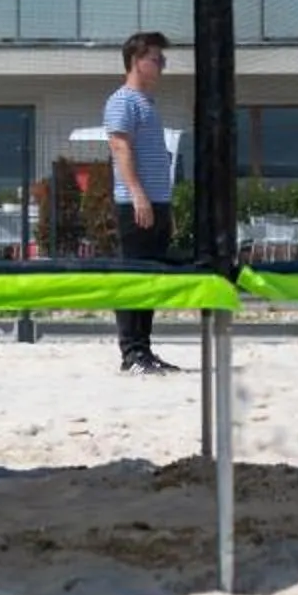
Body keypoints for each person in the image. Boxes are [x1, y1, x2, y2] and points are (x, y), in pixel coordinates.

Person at [104, 30, 180, 375]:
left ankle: (144, 350)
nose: (162, 64)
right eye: (156, 58)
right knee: (133, 277)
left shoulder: (148, 103)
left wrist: (165, 205)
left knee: (150, 279)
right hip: (136, 203)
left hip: (156, 202)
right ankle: (130, 352)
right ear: (136, 61)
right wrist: (138, 195)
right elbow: (120, 148)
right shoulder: (123, 100)